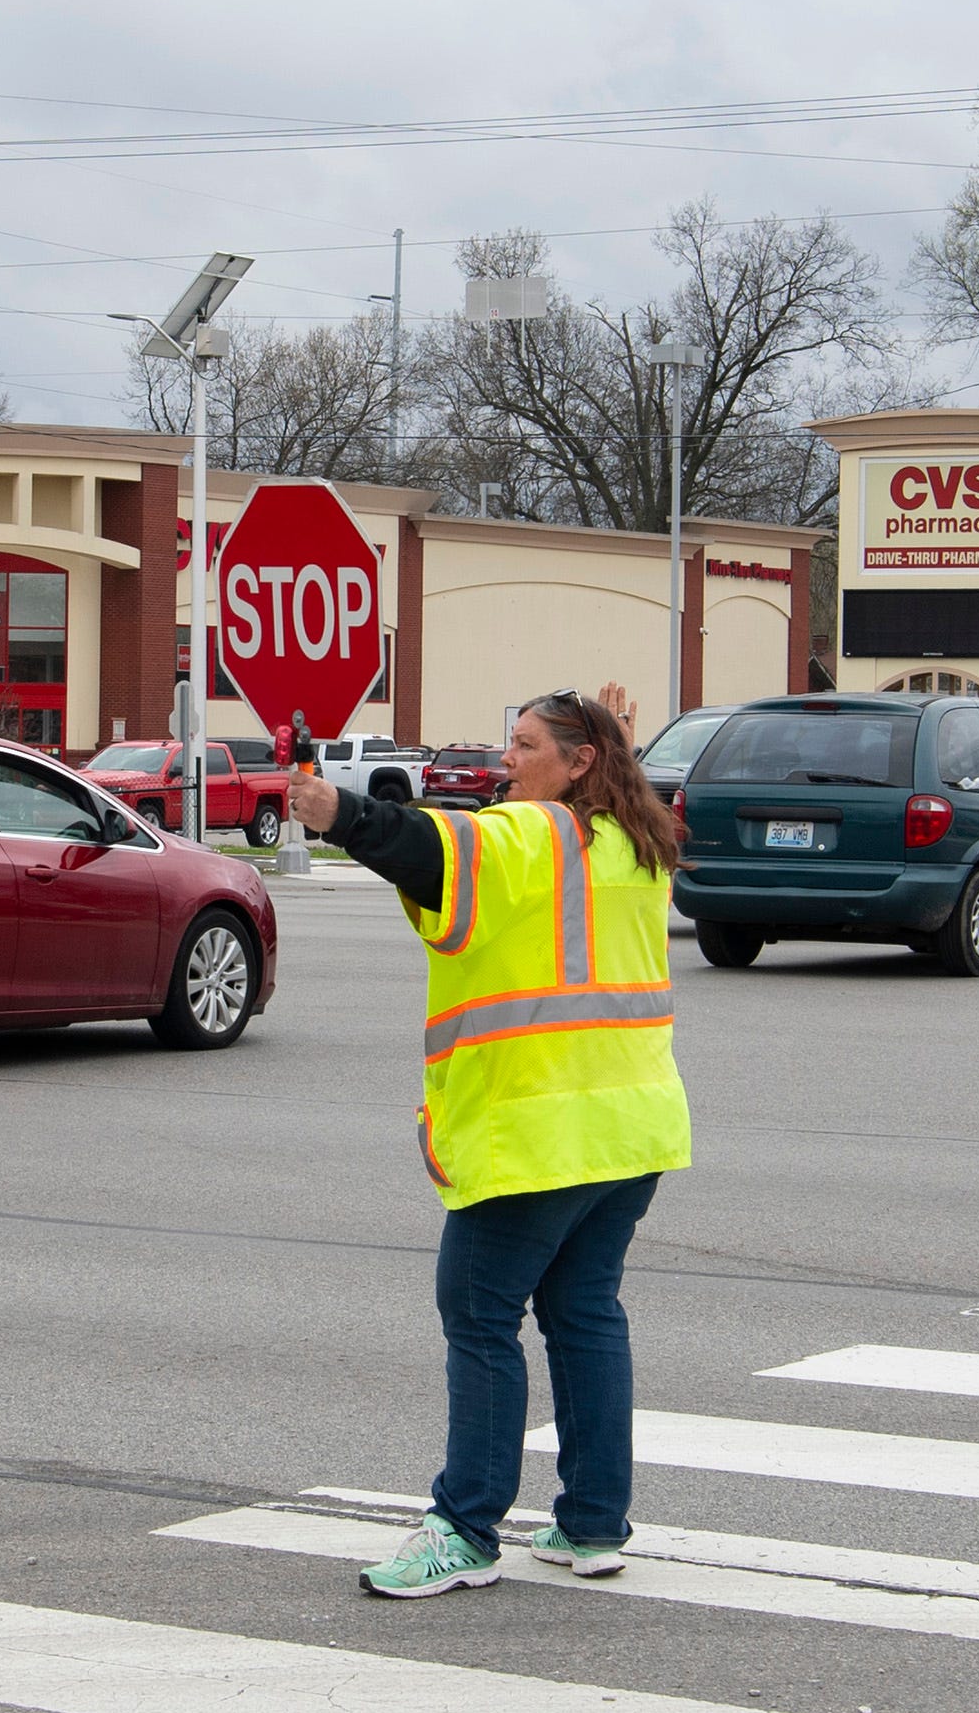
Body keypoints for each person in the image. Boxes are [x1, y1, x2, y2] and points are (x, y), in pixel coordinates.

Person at [279, 683, 693, 1598]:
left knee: (478, 1315)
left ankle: (464, 1527)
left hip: (536, 1131)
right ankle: (591, 1522)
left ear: (578, 761)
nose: (507, 760)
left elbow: (428, 845)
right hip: (629, 1128)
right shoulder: (636, 842)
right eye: (510, 742)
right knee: (586, 1315)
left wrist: (337, 809)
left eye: (525, 744)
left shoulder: (533, 836)